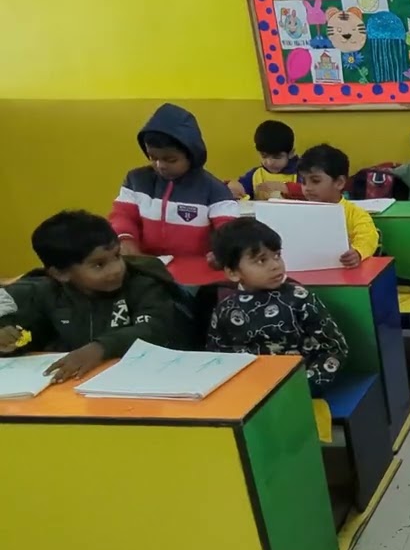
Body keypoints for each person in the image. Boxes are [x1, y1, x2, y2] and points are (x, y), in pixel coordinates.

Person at [0, 211, 192, 382]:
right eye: (99, 265)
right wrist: (11, 341)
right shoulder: (47, 293)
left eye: (117, 256)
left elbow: (154, 329)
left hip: (146, 382)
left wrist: (100, 349)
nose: (116, 269)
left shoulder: (143, 284)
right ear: (61, 274)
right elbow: (32, 331)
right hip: (75, 391)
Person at [206, 218, 348, 394]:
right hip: (248, 393)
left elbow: (334, 347)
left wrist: (305, 386)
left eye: (277, 255)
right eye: (261, 261)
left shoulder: (299, 298)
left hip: (300, 388)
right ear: (233, 273)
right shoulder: (225, 308)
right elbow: (217, 356)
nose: (275, 265)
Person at [109, 103, 238, 257]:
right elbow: (123, 216)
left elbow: (228, 229)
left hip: (196, 271)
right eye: (153, 158)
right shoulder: (136, 181)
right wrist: (125, 240)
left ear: (191, 155)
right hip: (147, 266)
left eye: (170, 160)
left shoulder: (214, 190)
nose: (161, 165)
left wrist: (222, 253)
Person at [296, 144, 380, 268]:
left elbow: (368, 237)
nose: (307, 188)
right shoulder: (296, 212)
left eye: (315, 181)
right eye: (303, 182)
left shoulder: (355, 213)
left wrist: (357, 252)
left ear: (339, 182)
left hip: (344, 272)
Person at [228, 120, 304, 201]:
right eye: (264, 156)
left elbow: (311, 193)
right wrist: (232, 188)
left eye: (276, 157)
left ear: (291, 153)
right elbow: (239, 190)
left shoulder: (302, 173)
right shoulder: (255, 175)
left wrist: (287, 188)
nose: (269, 162)